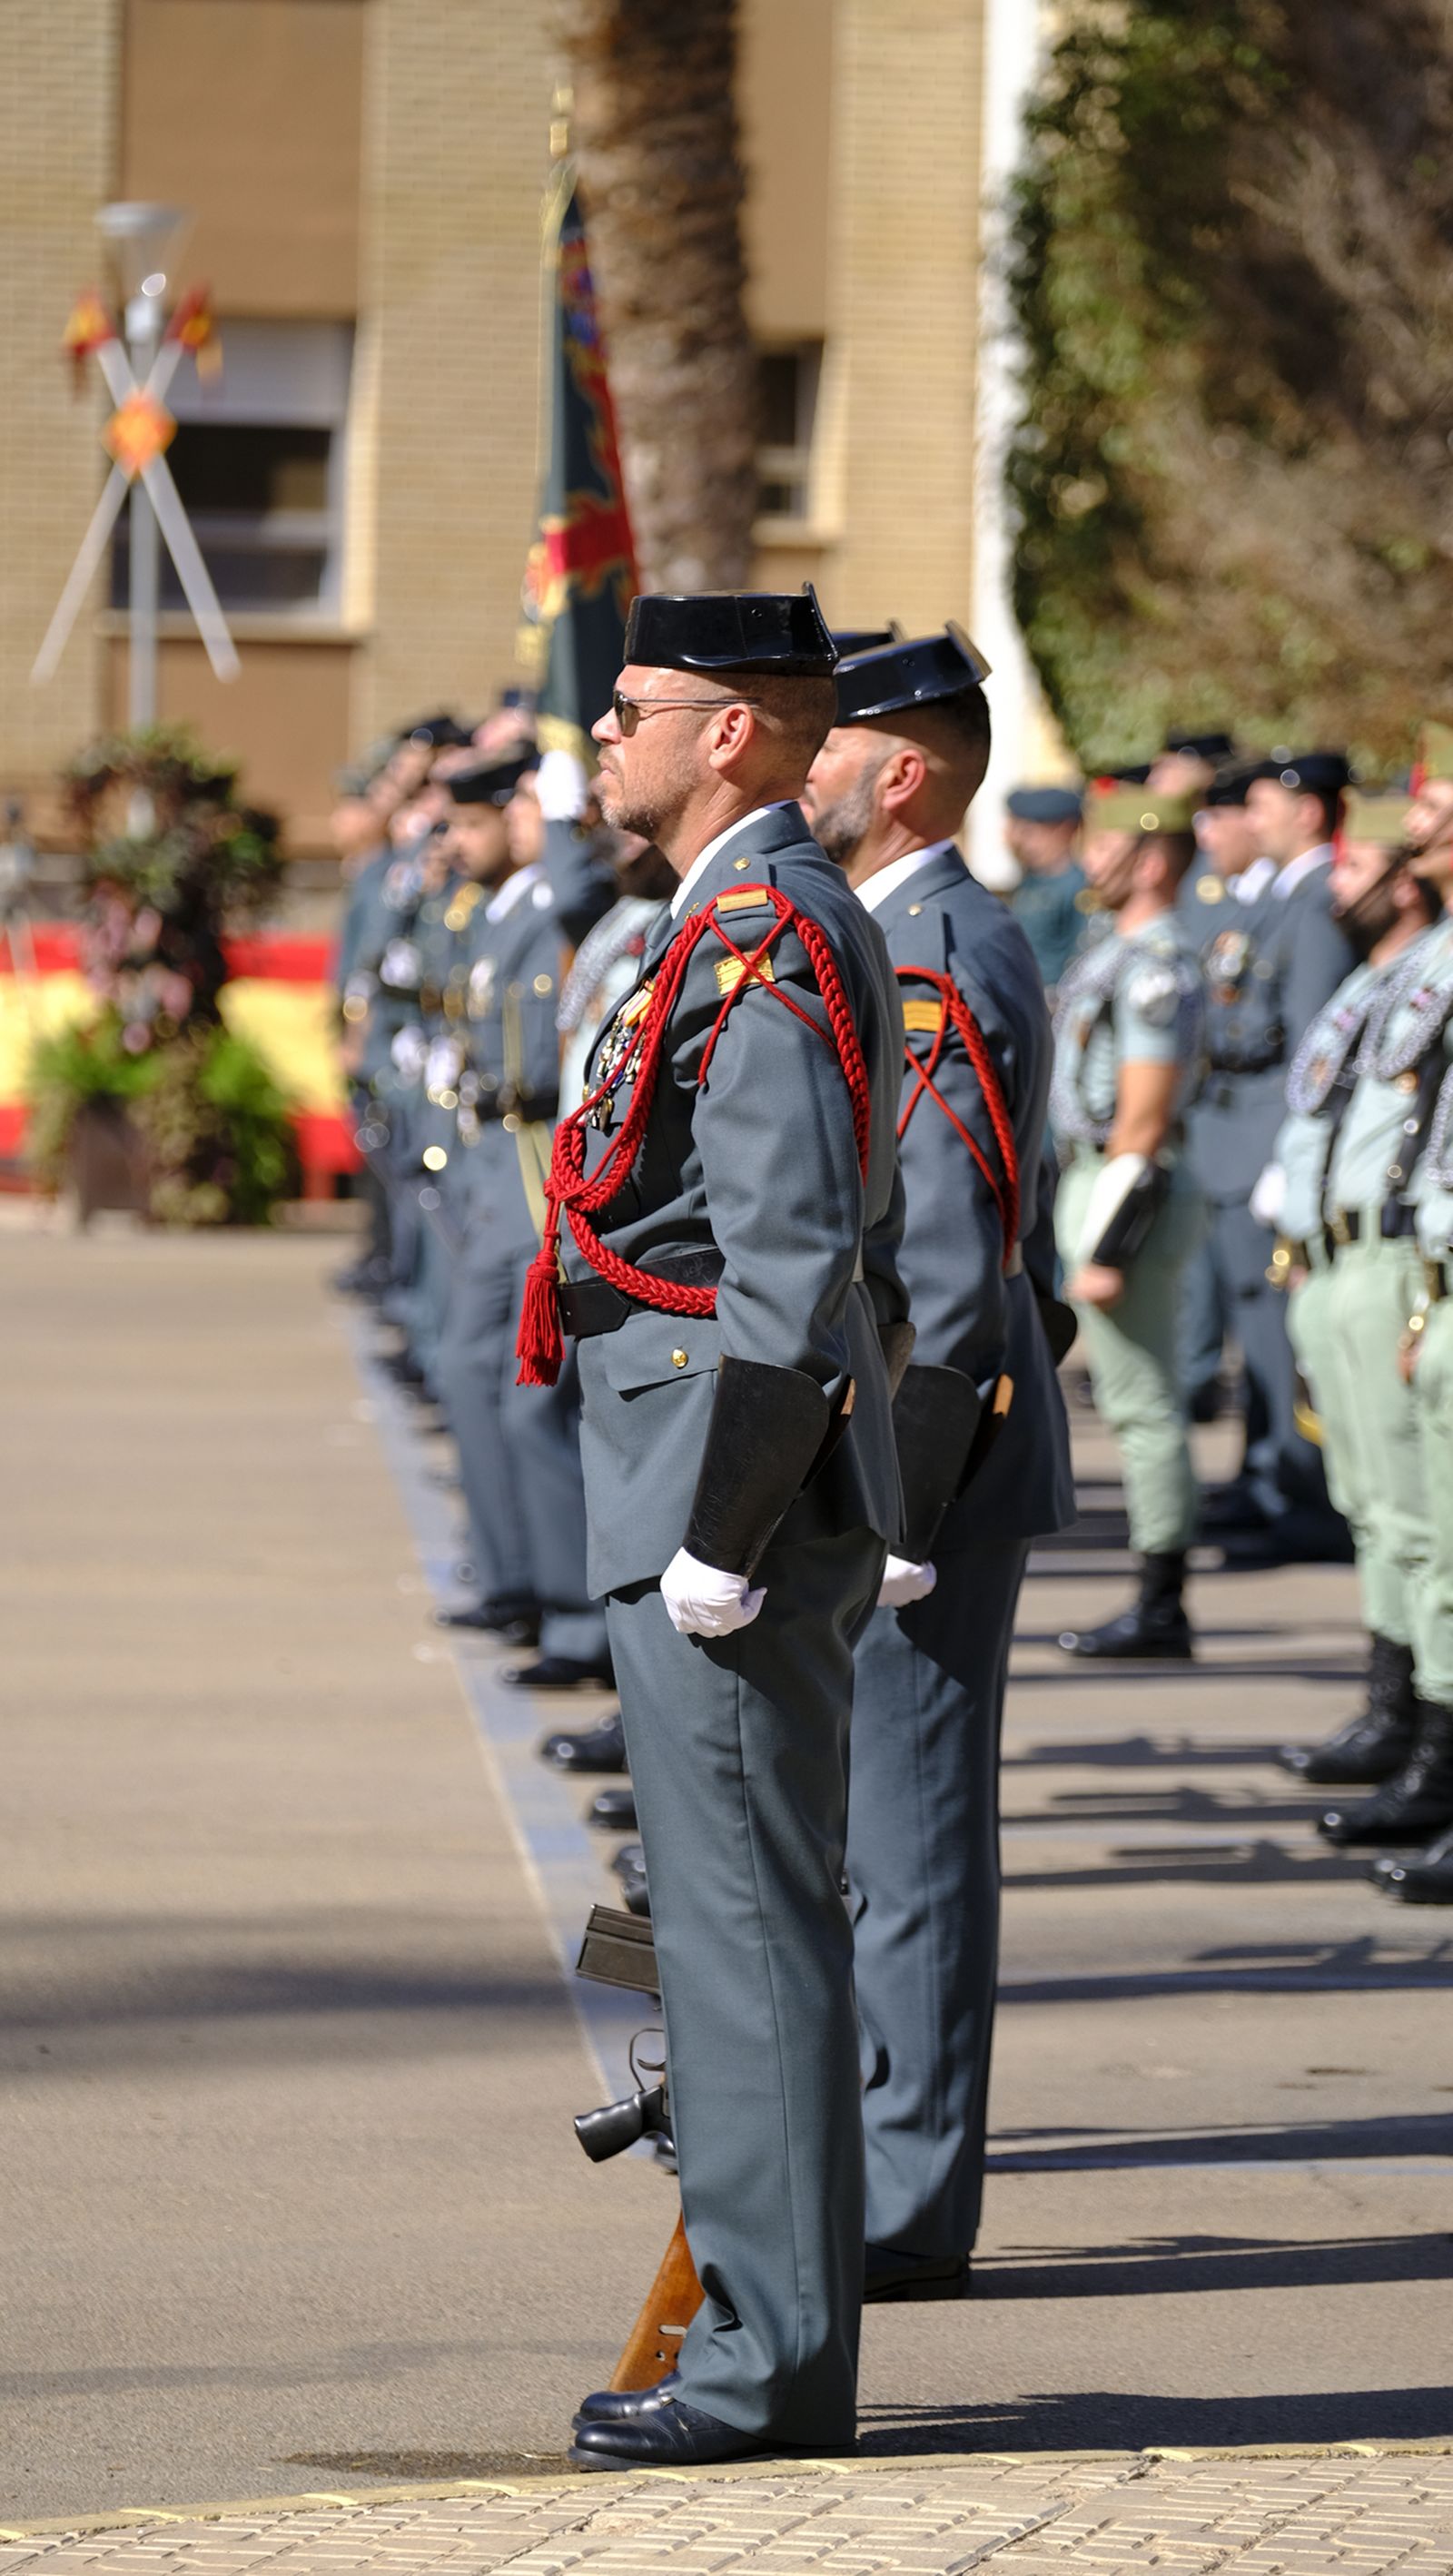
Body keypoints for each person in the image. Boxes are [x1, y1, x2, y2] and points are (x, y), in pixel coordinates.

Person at [520, 587, 907, 2472]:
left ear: (729, 732)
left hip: (712, 1495)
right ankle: (769, 2326)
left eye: (632, 707)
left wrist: (729, 1529)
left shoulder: (764, 931)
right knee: (732, 1932)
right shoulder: (726, 918)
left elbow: (787, 1268)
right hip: (677, 1471)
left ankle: (765, 2361)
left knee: (746, 1943)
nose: (603, 736)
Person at [803, 627, 1073, 2300]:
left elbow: (957, 1269)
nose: (802, 764)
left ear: (902, 773)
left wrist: (899, 1489)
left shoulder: (938, 950)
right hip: (891, 1438)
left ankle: (910, 2196)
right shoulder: (900, 933)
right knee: (876, 1826)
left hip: (935, 1451)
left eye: (831, 742)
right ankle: (880, 2145)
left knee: (910, 1836)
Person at [1267, 793, 1441, 1788]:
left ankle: (1431, 1736)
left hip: (1388, 1258)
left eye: (1350, 866)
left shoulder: (1433, 969)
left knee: (1415, 1511)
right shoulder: (1370, 983)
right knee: (1369, 1502)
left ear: (1401, 879)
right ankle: (1395, 1704)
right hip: (1326, 1256)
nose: (1334, 885)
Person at [431, 751, 614, 1677]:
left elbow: (577, 892)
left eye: (474, 821)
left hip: (540, 1161)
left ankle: (573, 1617)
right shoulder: (493, 910)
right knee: (469, 1370)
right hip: (494, 1165)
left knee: (535, 1398)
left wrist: (560, 807)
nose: (454, 842)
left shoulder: (555, 894)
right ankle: (514, 1579)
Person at [1311, 727, 1453, 1866]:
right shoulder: (1404, 970)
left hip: (1414, 1265)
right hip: (1369, 1257)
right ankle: (1408, 1726)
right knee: (1390, 1514)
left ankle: (1436, 1760)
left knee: (1435, 1530)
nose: (1415, 823)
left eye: (1435, 803)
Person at [1051, 782, 1208, 1659]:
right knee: (1129, 1397)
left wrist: (1105, 1241)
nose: (1088, 860)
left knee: (1144, 1402)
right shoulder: (1121, 948)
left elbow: (1143, 1116)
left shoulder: (1155, 964)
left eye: (1105, 845)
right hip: (1099, 1171)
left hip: (1127, 1185)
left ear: (1148, 859)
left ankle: (1162, 1600)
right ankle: (1156, 1591)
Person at [1187, 752, 1356, 1558]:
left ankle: (1305, 1502)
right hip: (1236, 1133)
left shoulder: (1315, 902)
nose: (1246, 823)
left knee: (1279, 1334)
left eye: (1261, 808)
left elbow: (1314, 1047)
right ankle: (1265, 1480)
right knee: (1255, 1331)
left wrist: (1295, 1158)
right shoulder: (1282, 898)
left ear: (1309, 813)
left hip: (1266, 1138)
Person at [1004, 785, 1086, 994]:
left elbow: (1080, 957)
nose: (1024, 840)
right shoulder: (1030, 880)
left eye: (1033, 832)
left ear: (1064, 829)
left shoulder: (1079, 887)